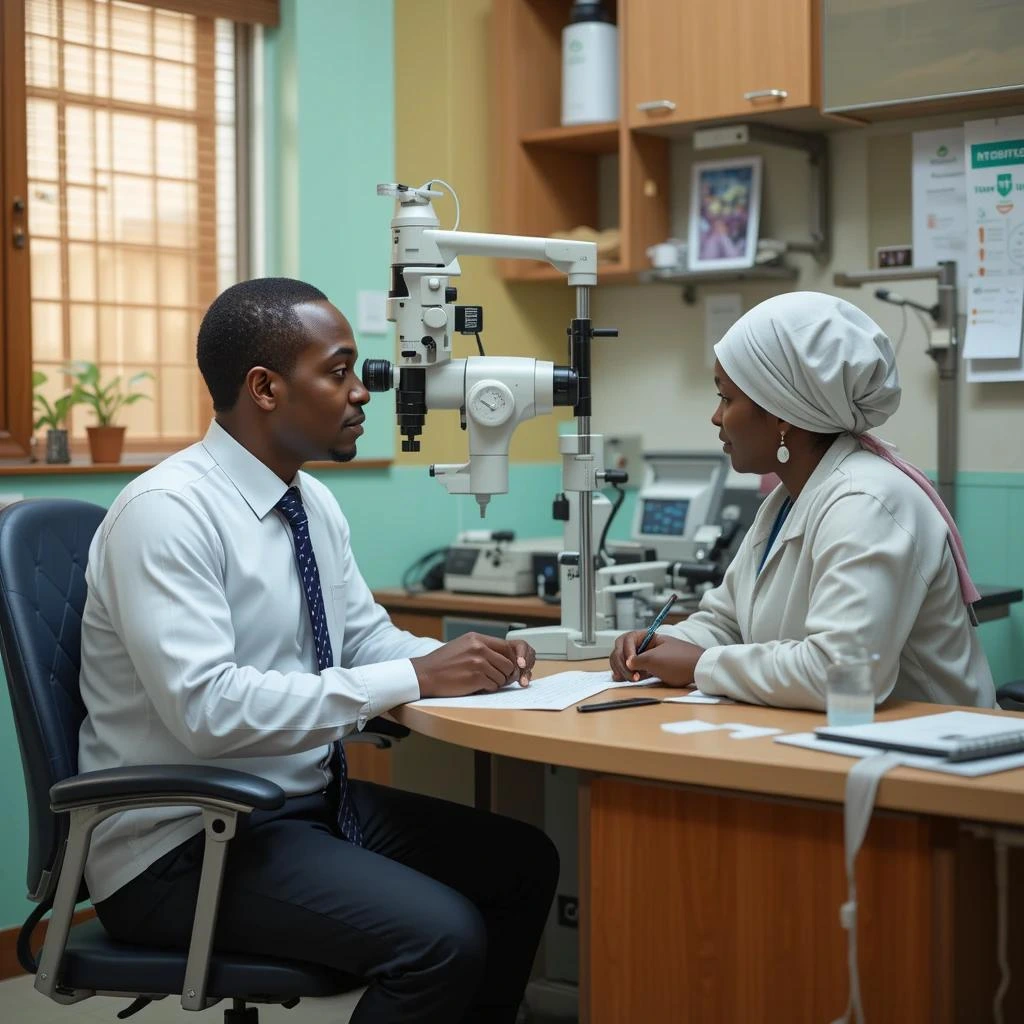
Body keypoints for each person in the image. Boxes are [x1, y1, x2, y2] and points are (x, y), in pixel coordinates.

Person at [78, 277, 559, 1024]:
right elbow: (207, 711)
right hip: (182, 847)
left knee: (521, 866)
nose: (362, 391)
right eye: (338, 372)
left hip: (296, 809)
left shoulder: (308, 502)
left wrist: (470, 665)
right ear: (265, 388)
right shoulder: (166, 515)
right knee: (443, 939)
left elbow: (361, 636)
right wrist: (410, 675)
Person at [610, 291, 995, 710]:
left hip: (934, 759)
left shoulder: (868, 502)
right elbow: (727, 622)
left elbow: (844, 675)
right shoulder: (786, 501)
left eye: (726, 397)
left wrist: (701, 663)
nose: (716, 417)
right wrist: (660, 644)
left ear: (780, 413)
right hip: (840, 743)